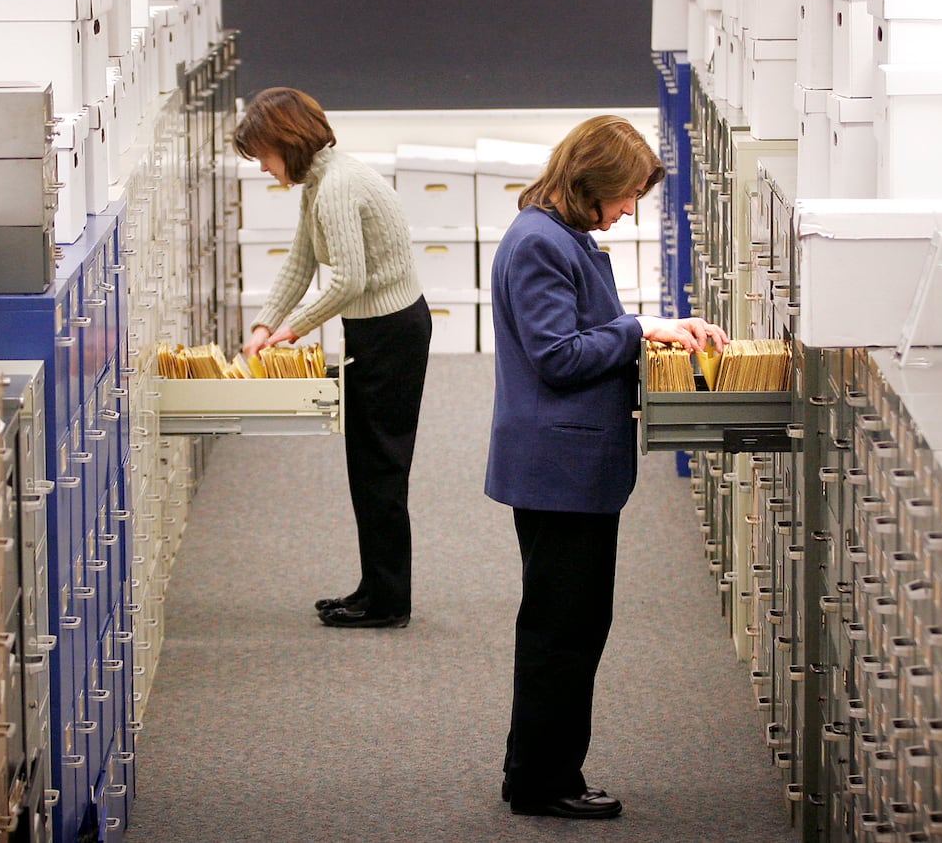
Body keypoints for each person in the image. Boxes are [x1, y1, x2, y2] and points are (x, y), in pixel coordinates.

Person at [485, 115, 727, 819]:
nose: (628, 210)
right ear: (588, 182)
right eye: (623, 196)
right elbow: (558, 355)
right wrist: (640, 329)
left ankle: (533, 768)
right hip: (557, 468)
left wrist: (648, 330)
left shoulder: (562, 236)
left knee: (571, 624)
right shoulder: (538, 243)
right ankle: (544, 781)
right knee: (563, 629)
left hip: (570, 465)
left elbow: (580, 334)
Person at [234, 87, 432, 629]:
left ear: (286, 143)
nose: (264, 168)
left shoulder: (339, 187)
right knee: (367, 468)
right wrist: (263, 323)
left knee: (382, 469)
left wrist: (292, 330)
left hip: (391, 332)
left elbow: (348, 281)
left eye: (264, 156)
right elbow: (301, 262)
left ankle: (390, 603)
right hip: (376, 328)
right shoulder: (320, 181)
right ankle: (375, 588)